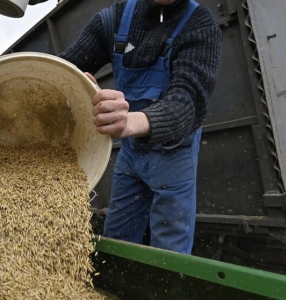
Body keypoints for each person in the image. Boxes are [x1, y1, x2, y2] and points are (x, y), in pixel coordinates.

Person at [59, 0, 222, 254]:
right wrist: (69, 83)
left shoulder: (200, 25)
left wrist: (128, 122)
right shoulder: (114, 21)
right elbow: (62, 70)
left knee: (170, 255)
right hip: (131, 154)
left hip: (175, 156)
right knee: (117, 242)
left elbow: (187, 102)